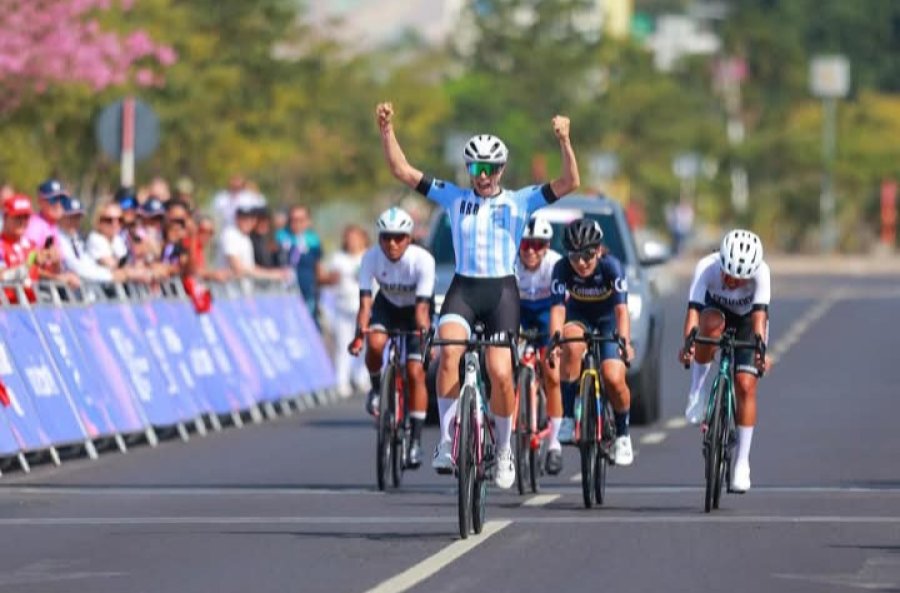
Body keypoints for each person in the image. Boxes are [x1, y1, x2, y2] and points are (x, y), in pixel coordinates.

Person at [376, 101, 580, 489]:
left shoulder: (521, 201)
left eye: (489, 169)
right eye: (475, 168)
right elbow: (401, 170)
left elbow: (571, 182)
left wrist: (565, 140)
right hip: (464, 289)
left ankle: (503, 451)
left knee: (501, 373)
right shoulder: (454, 197)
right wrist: (387, 130)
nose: (482, 176)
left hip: (501, 291)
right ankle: (448, 438)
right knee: (449, 352)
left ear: (501, 169)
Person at [679, 229, 770, 493]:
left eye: (739, 279)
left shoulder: (761, 272)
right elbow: (693, 312)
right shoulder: (706, 267)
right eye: (728, 275)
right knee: (710, 327)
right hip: (713, 313)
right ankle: (697, 392)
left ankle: (742, 462)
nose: (731, 282)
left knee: (745, 384)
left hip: (747, 320)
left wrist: (760, 352)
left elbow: (759, 319)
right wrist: (688, 345)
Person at [348, 206, 435, 469]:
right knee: (375, 344)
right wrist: (358, 337)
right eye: (386, 237)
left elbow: (422, 311)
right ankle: (377, 389)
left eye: (399, 238)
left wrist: (425, 341)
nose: (392, 244)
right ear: (379, 238)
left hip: (415, 312)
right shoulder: (370, 258)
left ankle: (416, 441)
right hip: (386, 307)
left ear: (409, 238)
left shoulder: (423, 261)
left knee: (415, 371)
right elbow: (365, 304)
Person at [548, 219, 636, 466]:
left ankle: (622, 434)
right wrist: (555, 341)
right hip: (579, 316)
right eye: (575, 257)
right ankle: (567, 416)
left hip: (608, 320)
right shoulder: (561, 268)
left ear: (598, 250)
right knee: (571, 344)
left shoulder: (611, 267)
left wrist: (625, 343)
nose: (582, 263)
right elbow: (557, 310)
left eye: (587, 255)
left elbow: (621, 311)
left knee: (613, 377)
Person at [515, 215, 565, 474]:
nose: (532, 251)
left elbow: (561, 307)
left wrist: (555, 342)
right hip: (520, 314)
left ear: (546, 246)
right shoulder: (511, 264)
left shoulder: (556, 264)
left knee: (553, 374)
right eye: (526, 245)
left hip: (548, 315)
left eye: (538, 245)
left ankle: (554, 442)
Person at [58, 197, 147, 285]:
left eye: (120, 220)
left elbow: (87, 264)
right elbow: (76, 267)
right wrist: (111, 276)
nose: (115, 224)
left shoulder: (76, 238)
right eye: (108, 220)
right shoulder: (93, 239)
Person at [326, 224, 371, 398]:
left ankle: (361, 377)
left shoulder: (369, 256)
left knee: (364, 344)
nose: (352, 241)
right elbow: (331, 279)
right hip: (343, 308)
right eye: (349, 238)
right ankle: (341, 381)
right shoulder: (339, 258)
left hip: (365, 308)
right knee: (343, 344)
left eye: (355, 238)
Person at [275, 205, 337, 324]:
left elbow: (318, 266)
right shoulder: (280, 237)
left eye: (301, 220)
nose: (297, 223)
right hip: (285, 293)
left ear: (308, 221)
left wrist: (326, 279)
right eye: (294, 220)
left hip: (308, 290)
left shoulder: (313, 240)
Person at [219, 205, 292, 282]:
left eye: (251, 218)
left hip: (244, 290)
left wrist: (276, 273)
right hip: (229, 289)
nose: (248, 221)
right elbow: (237, 267)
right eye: (244, 218)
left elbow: (250, 267)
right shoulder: (230, 234)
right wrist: (271, 275)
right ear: (237, 219)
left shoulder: (245, 237)